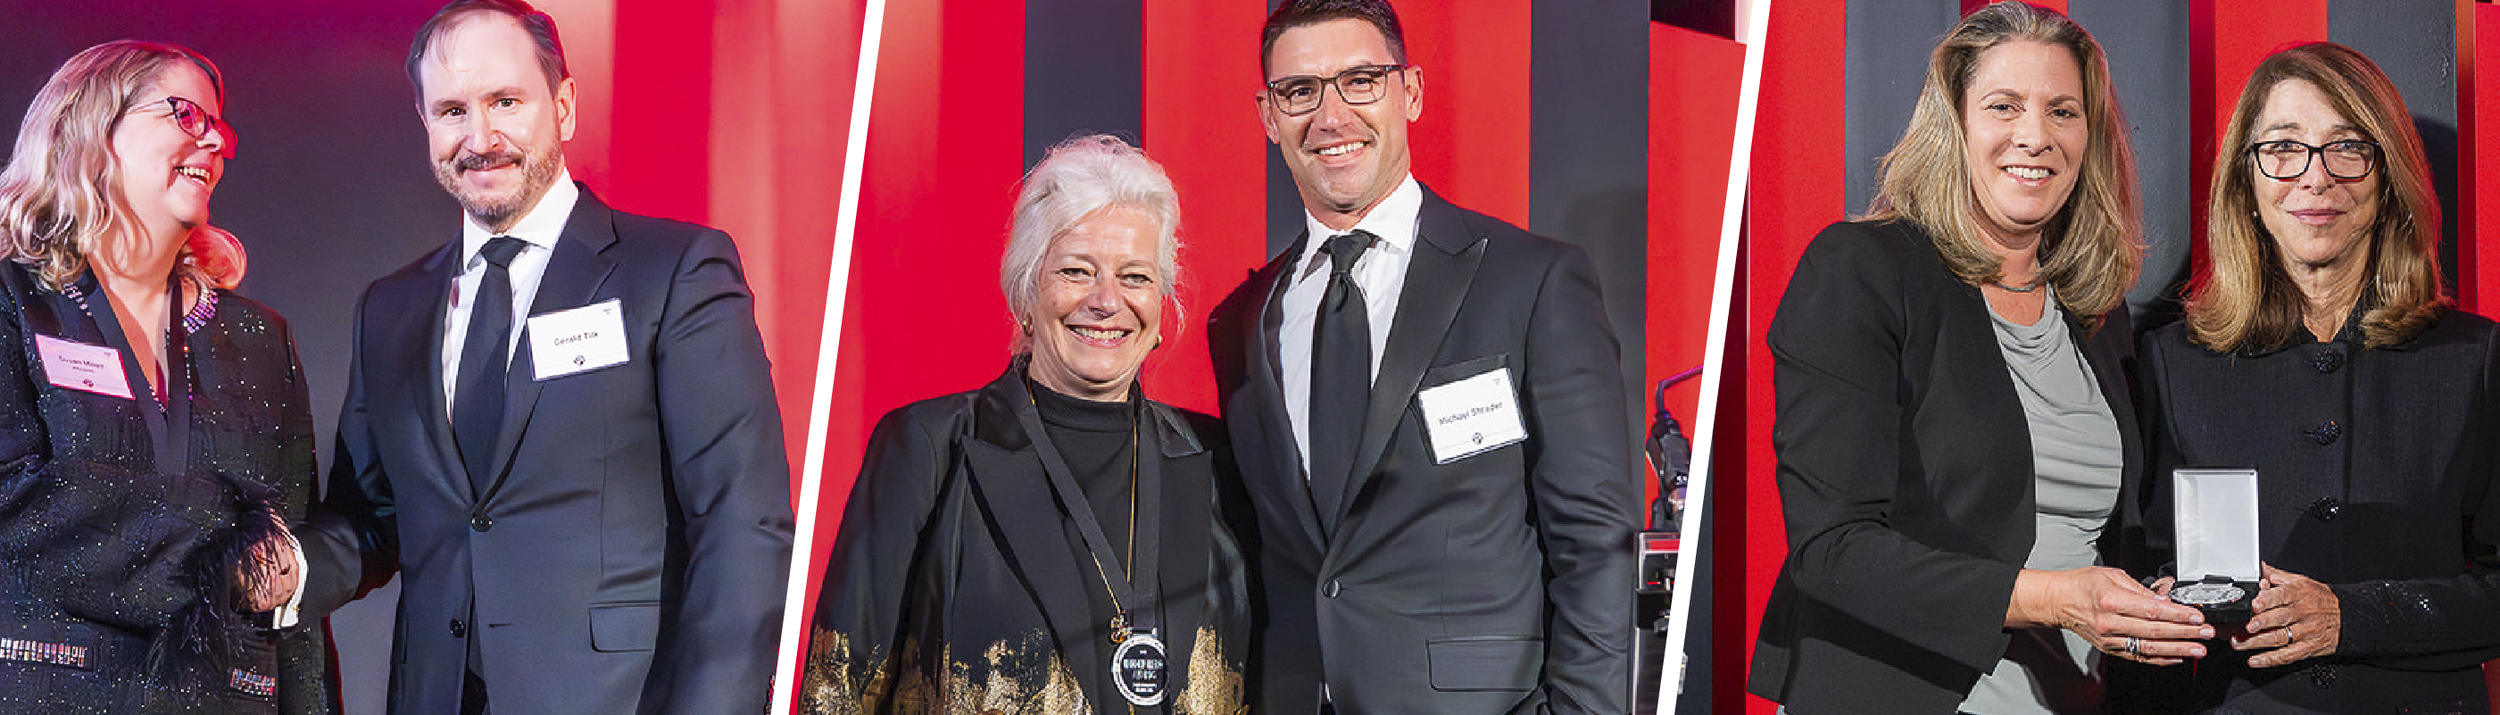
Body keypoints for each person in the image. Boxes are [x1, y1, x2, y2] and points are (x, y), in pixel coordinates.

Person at [291, 1, 793, 713]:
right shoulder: (390, 308)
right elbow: (373, 515)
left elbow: (741, 517)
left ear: (563, 106)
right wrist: (285, 568)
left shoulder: (672, 271)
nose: (480, 136)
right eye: (452, 111)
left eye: (505, 102)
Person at [1746, 4, 2215, 714]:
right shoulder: (1862, 272)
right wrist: (2058, 597)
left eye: (2063, 111)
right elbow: (1833, 550)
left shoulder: (2095, 310)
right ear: (1954, 124)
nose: (2035, 136)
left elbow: (2101, 536)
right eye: (2004, 106)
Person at [1205, 1, 1636, 712]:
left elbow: (1595, 541)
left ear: (1410, 92)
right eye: (1300, 91)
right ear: (1268, 115)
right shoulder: (1242, 319)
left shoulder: (1530, 281)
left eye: (1361, 80)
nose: (1331, 115)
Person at [803, 134, 1249, 715]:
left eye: (1135, 277)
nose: (1106, 301)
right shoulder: (929, 448)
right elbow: (838, 690)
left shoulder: (1218, 458)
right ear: (1025, 296)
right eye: (1076, 271)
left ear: (1161, 305)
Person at [2133, 41, 2500, 714]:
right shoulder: (2171, 361)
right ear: (2246, 184)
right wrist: (2159, 604)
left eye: (2347, 147)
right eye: (2282, 148)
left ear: (2388, 178)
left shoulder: (2474, 358)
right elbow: (2140, 566)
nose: (2315, 177)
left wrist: (2352, 615)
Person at [0, 41, 333, 713]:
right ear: (89, 127)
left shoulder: (260, 336)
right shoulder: (12, 299)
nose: (214, 141)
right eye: (184, 114)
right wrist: (226, 551)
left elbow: (288, 573)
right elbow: (15, 498)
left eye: (219, 126)